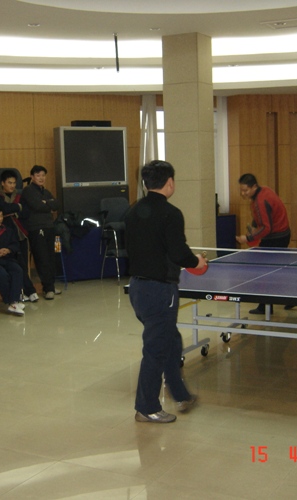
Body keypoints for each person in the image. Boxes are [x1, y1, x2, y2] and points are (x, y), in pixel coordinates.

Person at [125, 160, 207, 424]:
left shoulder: (133, 211)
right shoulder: (171, 213)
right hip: (160, 290)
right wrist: (197, 262)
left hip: (137, 289)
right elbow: (179, 253)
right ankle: (146, 407)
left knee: (170, 340)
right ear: (170, 182)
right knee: (156, 349)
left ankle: (181, 394)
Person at [235, 173, 291, 315]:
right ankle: (289, 299)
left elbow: (266, 228)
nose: (243, 193)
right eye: (241, 190)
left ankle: (265, 306)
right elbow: (260, 216)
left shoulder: (261, 200)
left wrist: (248, 238)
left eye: (245, 190)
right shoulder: (263, 191)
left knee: (265, 272)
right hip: (281, 234)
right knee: (275, 271)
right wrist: (254, 226)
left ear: (254, 187)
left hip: (276, 237)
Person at [0, 170, 39, 303]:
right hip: (4, 236)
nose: (12, 186)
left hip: (20, 233)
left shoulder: (19, 196)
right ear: (3, 183)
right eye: (9, 183)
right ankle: (26, 291)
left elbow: (26, 212)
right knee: (16, 266)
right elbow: (3, 209)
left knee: (23, 266)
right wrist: (17, 207)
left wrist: (13, 210)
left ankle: (28, 291)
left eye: (14, 183)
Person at [22, 165, 61, 300]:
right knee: (42, 258)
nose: (41, 178)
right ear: (32, 177)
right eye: (38, 175)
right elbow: (37, 206)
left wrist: (46, 203)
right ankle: (47, 288)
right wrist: (48, 204)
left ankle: (51, 285)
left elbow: (56, 205)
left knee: (51, 257)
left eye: (43, 175)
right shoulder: (28, 191)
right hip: (36, 228)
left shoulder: (46, 191)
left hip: (49, 227)